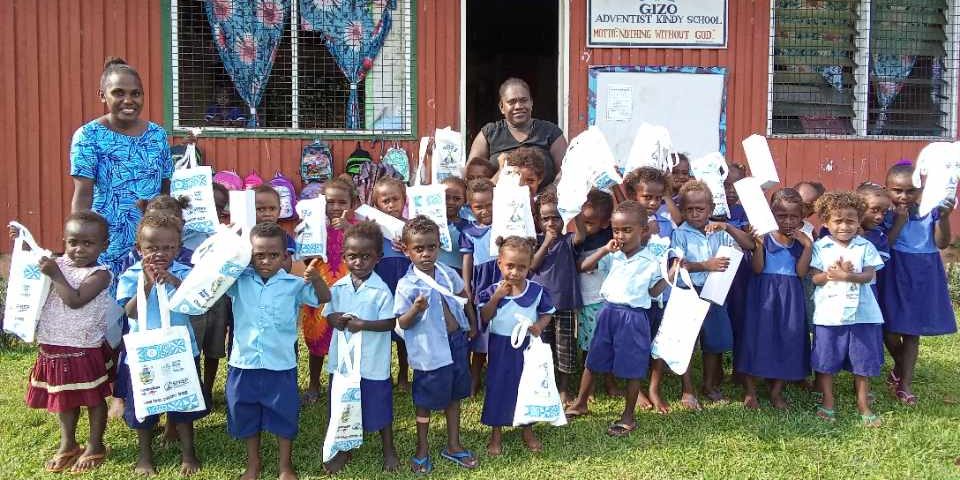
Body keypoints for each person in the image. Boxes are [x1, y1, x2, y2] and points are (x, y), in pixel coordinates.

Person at [225, 222, 331, 480]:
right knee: (245, 414)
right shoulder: (238, 281)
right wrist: (226, 242)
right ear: (249, 255)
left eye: (274, 255)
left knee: (284, 414)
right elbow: (210, 275)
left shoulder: (292, 284)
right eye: (259, 254)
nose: (266, 261)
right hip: (244, 364)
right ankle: (254, 463)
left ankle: (285, 465)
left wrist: (316, 279)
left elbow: (323, 298)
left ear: (286, 257)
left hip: (280, 364)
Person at [17, 212, 114, 474]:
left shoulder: (100, 274)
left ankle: (95, 445)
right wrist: (24, 247)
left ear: (103, 245)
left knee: (93, 399)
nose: (79, 249)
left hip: (83, 348)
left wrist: (56, 274)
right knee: (65, 398)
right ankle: (68, 444)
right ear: (64, 240)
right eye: (73, 242)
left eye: (88, 243)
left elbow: (75, 300)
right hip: (53, 345)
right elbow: (36, 267)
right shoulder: (58, 263)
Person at [116, 213, 205, 476]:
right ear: (139, 249)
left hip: (180, 351)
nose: (160, 254)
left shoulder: (185, 273)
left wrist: (175, 281)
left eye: (168, 248)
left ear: (178, 248)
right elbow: (130, 313)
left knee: (183, 403)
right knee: (144, 407)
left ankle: (188, 454)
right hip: (144, 357)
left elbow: (196, 306)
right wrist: (145, 284)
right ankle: (145, 456)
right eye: (152, 248)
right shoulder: (132, 275)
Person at [571, 201, 669, 437]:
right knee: (594, 359)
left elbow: (654, 293)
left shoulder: (651, 261)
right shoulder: (613, 256)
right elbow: (583, 266)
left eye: (627, 230)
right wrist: (605, 249)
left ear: (643, 231)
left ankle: (628, 415)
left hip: (634, 317)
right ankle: (581, 403)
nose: (621, 235)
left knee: (633, 365)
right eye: (617, 230)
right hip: (607, 312)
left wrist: (669, 276)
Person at [70, 58, 173, 279]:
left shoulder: (157, 135)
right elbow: (83, 196)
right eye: (118, 93)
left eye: (135, 94)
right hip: (106, 242)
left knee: (145, 307)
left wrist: (168, 238)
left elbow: (165, 191)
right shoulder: (88, 136)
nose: (128, 100)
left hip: (150, 245)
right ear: (102, 95)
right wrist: (82, 245)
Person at [394, 216, 478, 473]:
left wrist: (472, 324)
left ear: (439, 247)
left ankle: (453, 444)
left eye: (431, 247)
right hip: (430, 350)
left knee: (454, 395)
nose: (426, 254)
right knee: (425, 398)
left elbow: (464, 297)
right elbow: (402, 324)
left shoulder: (447, 273)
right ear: (407, 251)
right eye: (418, 249)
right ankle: (422, 448)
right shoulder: (407, 284)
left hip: (456, 344)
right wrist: (416, 309)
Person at [322, 221, 400, 474]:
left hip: (372, 363)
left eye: (366, 257)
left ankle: (388, 450)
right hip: (344, 365)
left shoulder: (381, 291)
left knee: (379, 406)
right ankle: (344, 450)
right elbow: (329, 315)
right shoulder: (338, 287)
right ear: (344, 256)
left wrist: (363, 324)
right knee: (343, 405)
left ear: (378, 258)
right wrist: (334, 319)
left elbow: (390, 322)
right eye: (353, 256)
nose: (359, 262)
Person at [621, 167, 698, 413]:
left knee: (659, 341)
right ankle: (636, 388)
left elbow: (673, 254)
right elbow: (622, 253)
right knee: (636, 343)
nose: (653, 202)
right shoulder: (624, 222)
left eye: (658, 197)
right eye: (647, 197)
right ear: (634, 196)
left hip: (662, 293)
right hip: (634, 295)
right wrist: (643, 236)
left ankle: (655, 387)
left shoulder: (666, 223)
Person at [671, 180, 756, 402]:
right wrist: (705, 265)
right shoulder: (680, 233)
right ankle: (688, 389)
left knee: (714, 342)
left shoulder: (719, 230)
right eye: (689, 209)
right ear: (682, 210)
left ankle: (709, 385)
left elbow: (749, 245)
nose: (695, 214)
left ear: (710, 208)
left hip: (715, 292)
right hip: (688, 292)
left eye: (700, 209)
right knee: (687, 340)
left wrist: (726, 226)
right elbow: (678, 264)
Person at [881, 163, 957, 406]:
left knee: (911, 332)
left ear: (921, 190)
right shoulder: (884, 214)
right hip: (894, 272)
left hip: (923, 274)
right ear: (887, 190)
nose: (904, 196)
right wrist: (899, 223)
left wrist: (944, 219)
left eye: (911, 191)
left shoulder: (931, 212)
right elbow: (885, 245)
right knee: (889, 330)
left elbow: (942, 243)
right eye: (897, 191)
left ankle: (904, 384)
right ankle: (902, 366)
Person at [809, 191, 885, 427]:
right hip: (829, 314)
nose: (844, 226)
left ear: (859, 221)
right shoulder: (820, 247)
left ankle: (863, 404)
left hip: (863, 314)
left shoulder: (865, 246)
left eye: (850, 221)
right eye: (837, 221)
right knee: (826, 359)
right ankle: (828, 401)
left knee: (862, 361)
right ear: (825, 222)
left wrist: (847, 275)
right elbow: (814, 279)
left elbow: (869, 275)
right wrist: (831, 273)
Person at [478, 236, 556, 455]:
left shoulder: (536, 290)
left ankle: (527, 429)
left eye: (521, 267)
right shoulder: (492, 290)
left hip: (526, 347)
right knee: (498, 386)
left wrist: (539, 327)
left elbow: (547, 313)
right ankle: (496, 434)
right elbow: (485, 317)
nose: (514, 272)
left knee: (526, 386)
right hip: (499, 347)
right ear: (500, 263)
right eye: (510, 266)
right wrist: (496, 297)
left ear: (530, 265)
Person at [736, 188, 812, 410]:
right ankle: (750, 391)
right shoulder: (764, 237)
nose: (787, 221)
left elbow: (800, 272)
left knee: (788, 338)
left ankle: (776, 391)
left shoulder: (801, 241)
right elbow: (757, 269)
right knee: (755, 337)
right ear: (771, 214)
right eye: (781, 216)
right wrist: (758, 245)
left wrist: (808, 246)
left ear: (801, 217)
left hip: (790, 297)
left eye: (793, 217)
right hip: (763, 295)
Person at [300, 176, 359, 405]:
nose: (335, 207)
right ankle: (314, 383)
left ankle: (344, 384)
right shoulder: (314, 228)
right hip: (319, 288)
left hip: (348, 289)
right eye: (330, 202)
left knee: (345, 336)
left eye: (341, 203)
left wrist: (347, 230)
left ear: (351, 204)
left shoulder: (357, 228)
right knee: (317, 335)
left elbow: (364, 249)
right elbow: (306, 260)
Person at [467, 77, 568, 191]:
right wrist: (501, 172)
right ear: (501, 107)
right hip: (498, 202)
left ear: (531, 103)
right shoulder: (489, 134)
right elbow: (471, 177)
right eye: (512, 102)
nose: (519, 106)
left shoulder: (551, 132)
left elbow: (566, 172)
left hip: (543, 203)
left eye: (524, 100)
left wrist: (549, 194)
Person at [530, 192, 583, 403]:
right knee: (543, 347)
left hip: (565, 305)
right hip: (541, 307)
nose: (551, 222)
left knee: (565, 347)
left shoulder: (568, 240)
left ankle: (564, 387)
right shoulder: (535, 241)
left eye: (556, 217)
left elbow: (582, 234)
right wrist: (546, 244)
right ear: (538, 220)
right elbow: (532, 265)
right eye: (546, 218)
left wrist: (575, 208)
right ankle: (546, 384)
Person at [369, 175, 413, 391]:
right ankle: (382, 374)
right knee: (383, 332)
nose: (390, 205)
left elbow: (420, 256)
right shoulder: (374, 230)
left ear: (404, 200)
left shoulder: (410, 228)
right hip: (382, 286)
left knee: (403, 331)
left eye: (395, 199)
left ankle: (404, 373)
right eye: (384, 200)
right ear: (376, 203)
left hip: (404, 286)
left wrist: (407, 245)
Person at [460, 178, 498, 394]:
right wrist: (467, 286)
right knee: (481, 336)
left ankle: (496, 380)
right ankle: (474, 379)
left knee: (499, 332)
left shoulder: (504, 226)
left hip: (501, 278)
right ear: (470, 207)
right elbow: (467, 260)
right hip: (481, 282)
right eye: (478, 206)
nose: (484, 210)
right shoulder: (468, 231)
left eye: (489, 205)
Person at [438, 176, 469, 275]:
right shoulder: (428, 224)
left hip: (457, 279)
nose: (450, 202)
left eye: (457, 199)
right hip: (432, 277)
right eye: (446, 197)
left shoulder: (469, 228)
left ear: (465, 201)